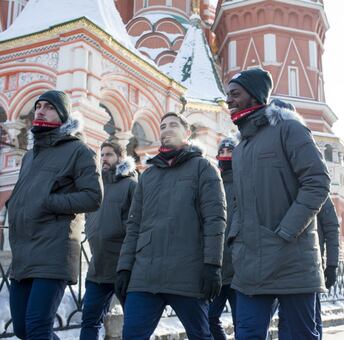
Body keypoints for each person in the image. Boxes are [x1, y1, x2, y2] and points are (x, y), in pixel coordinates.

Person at [226, 68, 330, 339]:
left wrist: (286, 232)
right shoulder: (240, 149)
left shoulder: (289, 129)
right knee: (246, 334)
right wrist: (235, 240)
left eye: (235, 94)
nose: (229, 100)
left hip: (292, 261)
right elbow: (238, 203)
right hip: (250, 266)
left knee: (299, 335)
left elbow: (317, 182)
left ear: (255, 95)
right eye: (227, 95)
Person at [115, 112, 227, 340]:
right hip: (145, 274)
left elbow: (215, 219)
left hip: (188, 273)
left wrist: (212, 265)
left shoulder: (203, 168)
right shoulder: (148, 176)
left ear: (187, 133)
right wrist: (124, 267)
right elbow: (134, 224)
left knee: (201, 335)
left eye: (173, 125)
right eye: (162, 125)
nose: (166, 129)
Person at [6, 90, 102, 340]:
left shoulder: (78, 150)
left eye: (48, 106)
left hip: (53, 250)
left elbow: (93, 197)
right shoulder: (30, 156)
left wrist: (48, 202)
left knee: (38, 327)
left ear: (62, 114)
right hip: (24, 252)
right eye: (38, 106)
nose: (40, 110)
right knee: (23, 329)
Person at [267, 99, 340, 340]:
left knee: (305, 324)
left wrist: (331, 264)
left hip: (307, 264)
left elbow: (330, 226)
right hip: (273, 261)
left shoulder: (314, 185)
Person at [80, 140, 137, 340]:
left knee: (133, 324)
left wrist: (116, 230)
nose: (104, 158)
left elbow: (136, 222)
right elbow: (89, 214)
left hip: (123, 267)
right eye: (102, 154)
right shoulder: (97, 185)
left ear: (120, 158)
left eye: (109, 154)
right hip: (98, 266)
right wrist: (91, 228)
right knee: (89, 320)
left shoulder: (131, 185)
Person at [209, 137, 238, 340]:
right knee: (208, 318)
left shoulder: (245, 184)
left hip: (239, 271)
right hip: (217, 270)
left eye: (231, 152)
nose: (226, 156)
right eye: (223, 152)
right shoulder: (211, 185)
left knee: (243, 324)